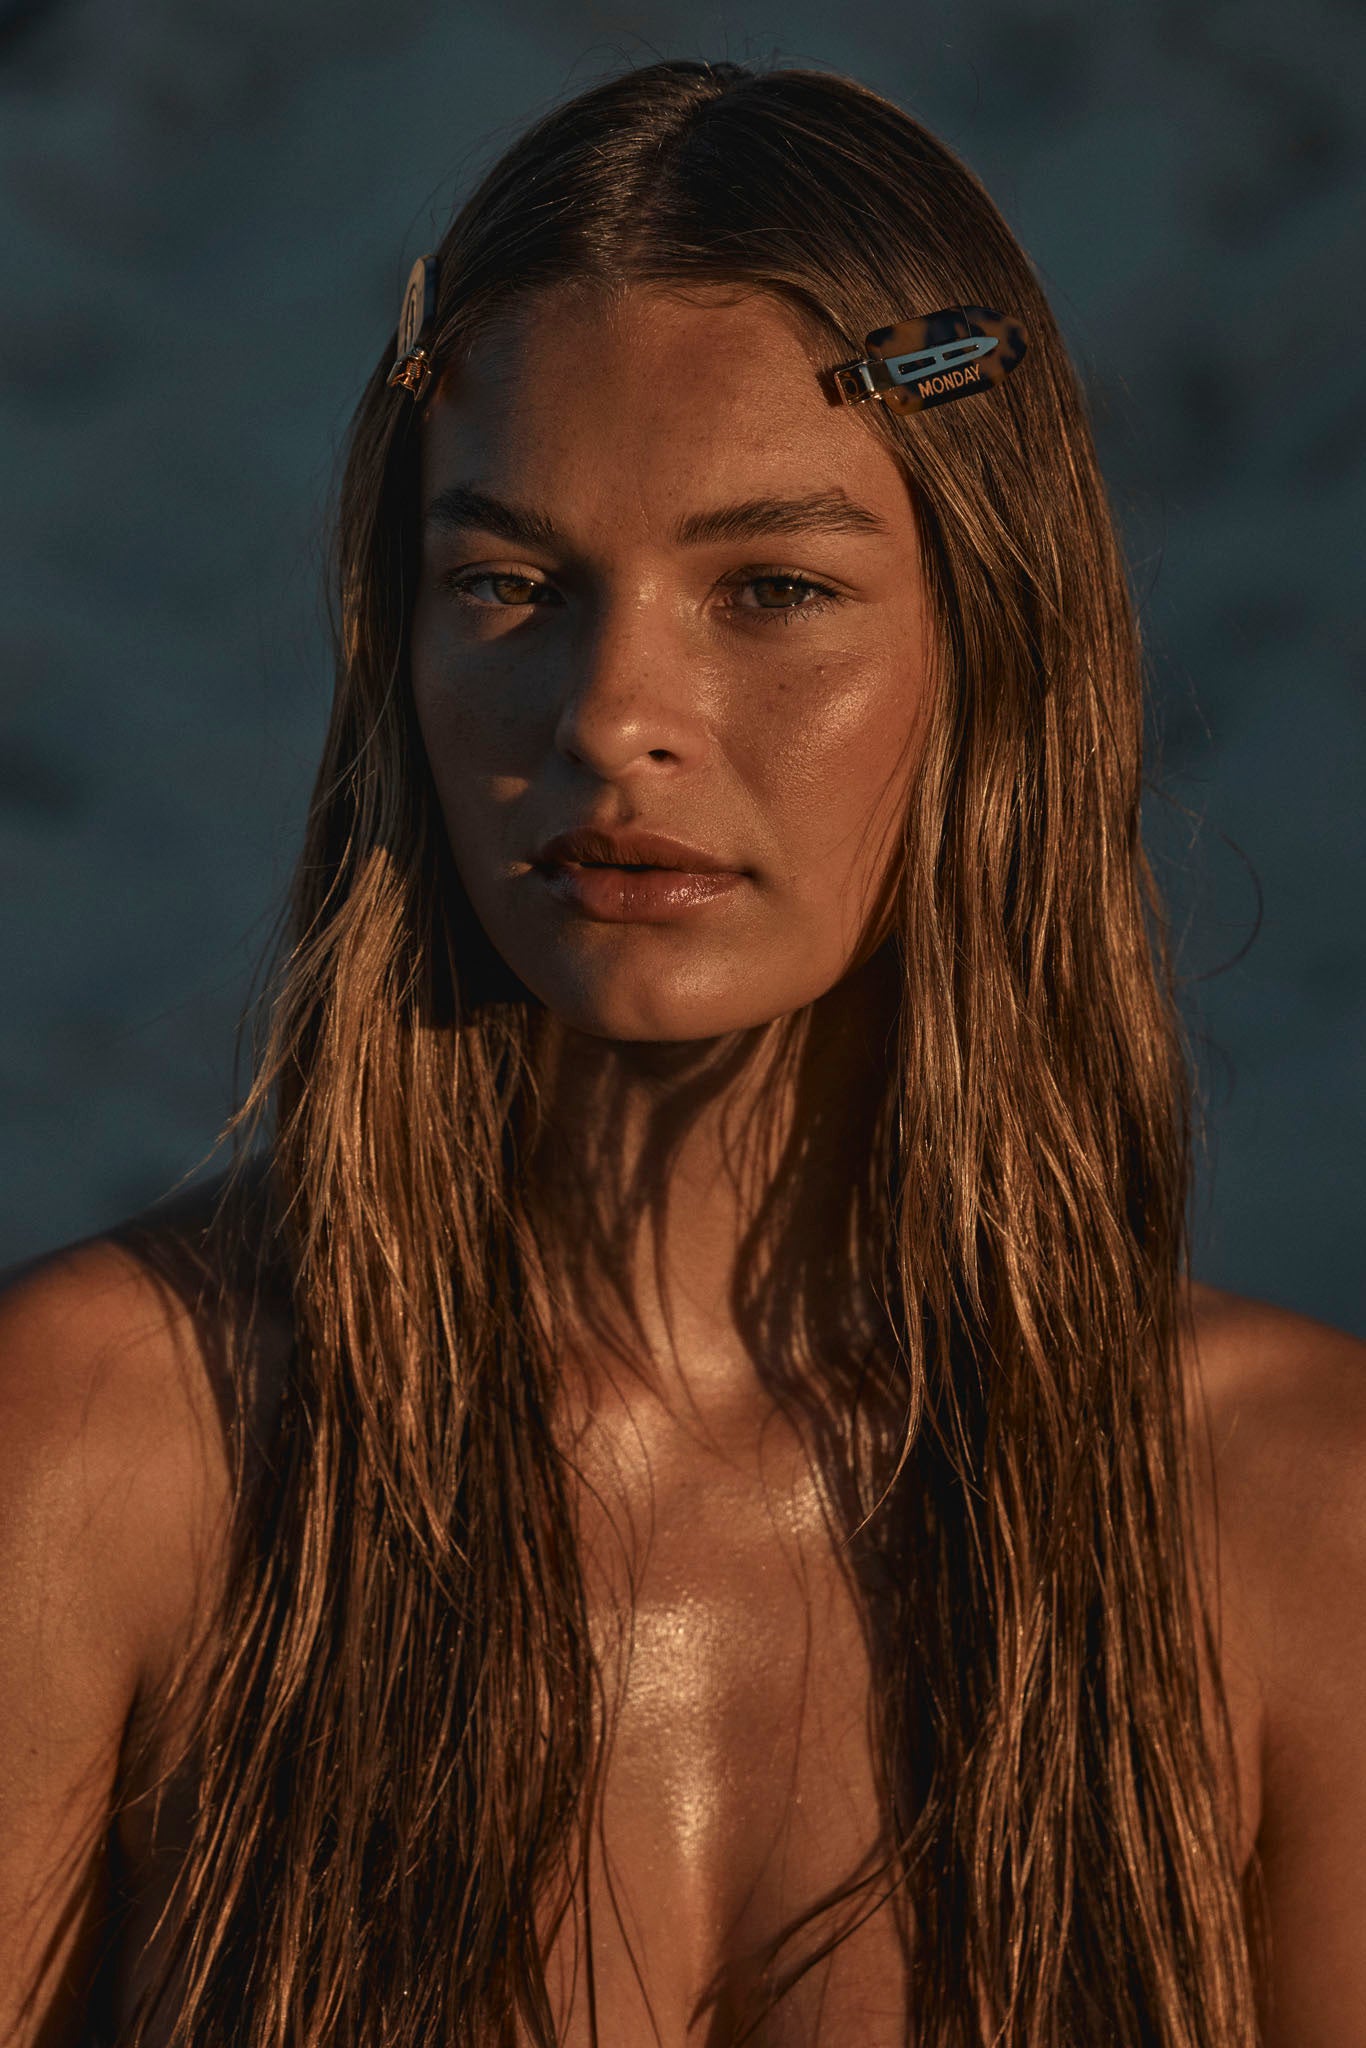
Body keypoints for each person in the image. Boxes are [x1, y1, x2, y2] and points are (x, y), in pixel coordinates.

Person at [1, 54, 1362, 2048]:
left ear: (991, 643)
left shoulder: (1287, 1517)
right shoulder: (110, 1449)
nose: (612, 710)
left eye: (772, 589)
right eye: (509, 585)